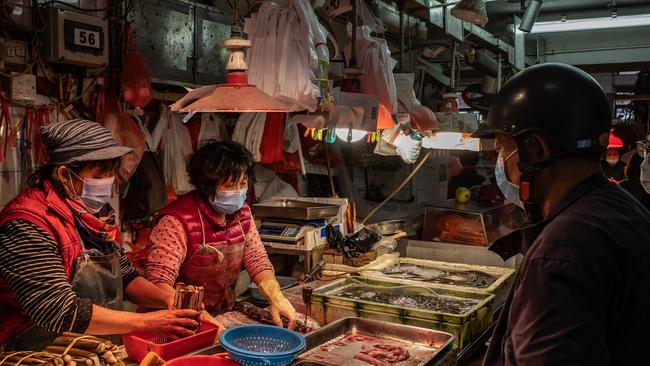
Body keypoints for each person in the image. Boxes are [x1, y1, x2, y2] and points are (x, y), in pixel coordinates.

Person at [472, 63, 650, 365]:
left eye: (504, 150)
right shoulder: (619, 207)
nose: (501, 163)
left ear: (536, 150)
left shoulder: (563, 251)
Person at [0, 119, 200, 350]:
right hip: (32, 349)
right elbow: (57, 310)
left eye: (110, 172)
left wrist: (166, 299)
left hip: (92, 346)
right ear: (64, 174)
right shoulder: (27, 223)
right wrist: (149, 322)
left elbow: (125, 277)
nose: (110, 181)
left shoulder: (95, 216)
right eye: (100, 174)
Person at [145, 140, 297, 329]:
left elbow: (257, 260)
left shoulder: (243, 214)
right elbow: (159, 283)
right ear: (207, 186)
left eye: (242, 184)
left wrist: (277, 297)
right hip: (173, 322)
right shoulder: (175, 221)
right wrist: (208, 323)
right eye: (230, 186)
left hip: (222, 314)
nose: (238, 192)